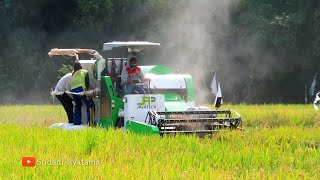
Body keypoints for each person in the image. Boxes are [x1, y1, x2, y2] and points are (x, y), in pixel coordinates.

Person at [70, 61, 95, 126]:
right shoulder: (85, 71)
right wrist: (88, 92)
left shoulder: (73, 74)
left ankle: (77, 123)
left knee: (78, 105)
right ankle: (90, 123)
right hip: (81, 89)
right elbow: (87, 83)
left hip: (73, 91)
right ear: (80, 66)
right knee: (90, 105)